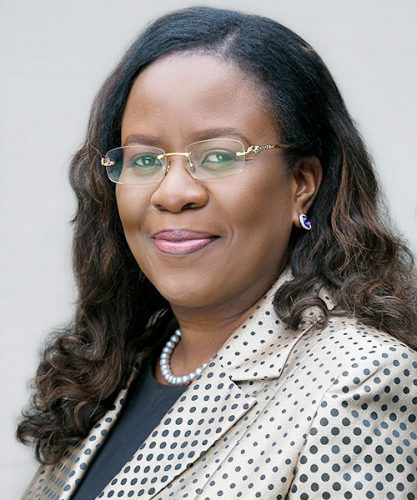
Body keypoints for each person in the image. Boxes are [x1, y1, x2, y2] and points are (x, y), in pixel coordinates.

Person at [18, 6, 417, 499]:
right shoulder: (105, 375)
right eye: (144, 159)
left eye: (219, 156)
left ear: (302, 184)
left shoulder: (359, 378)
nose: (172, 192)